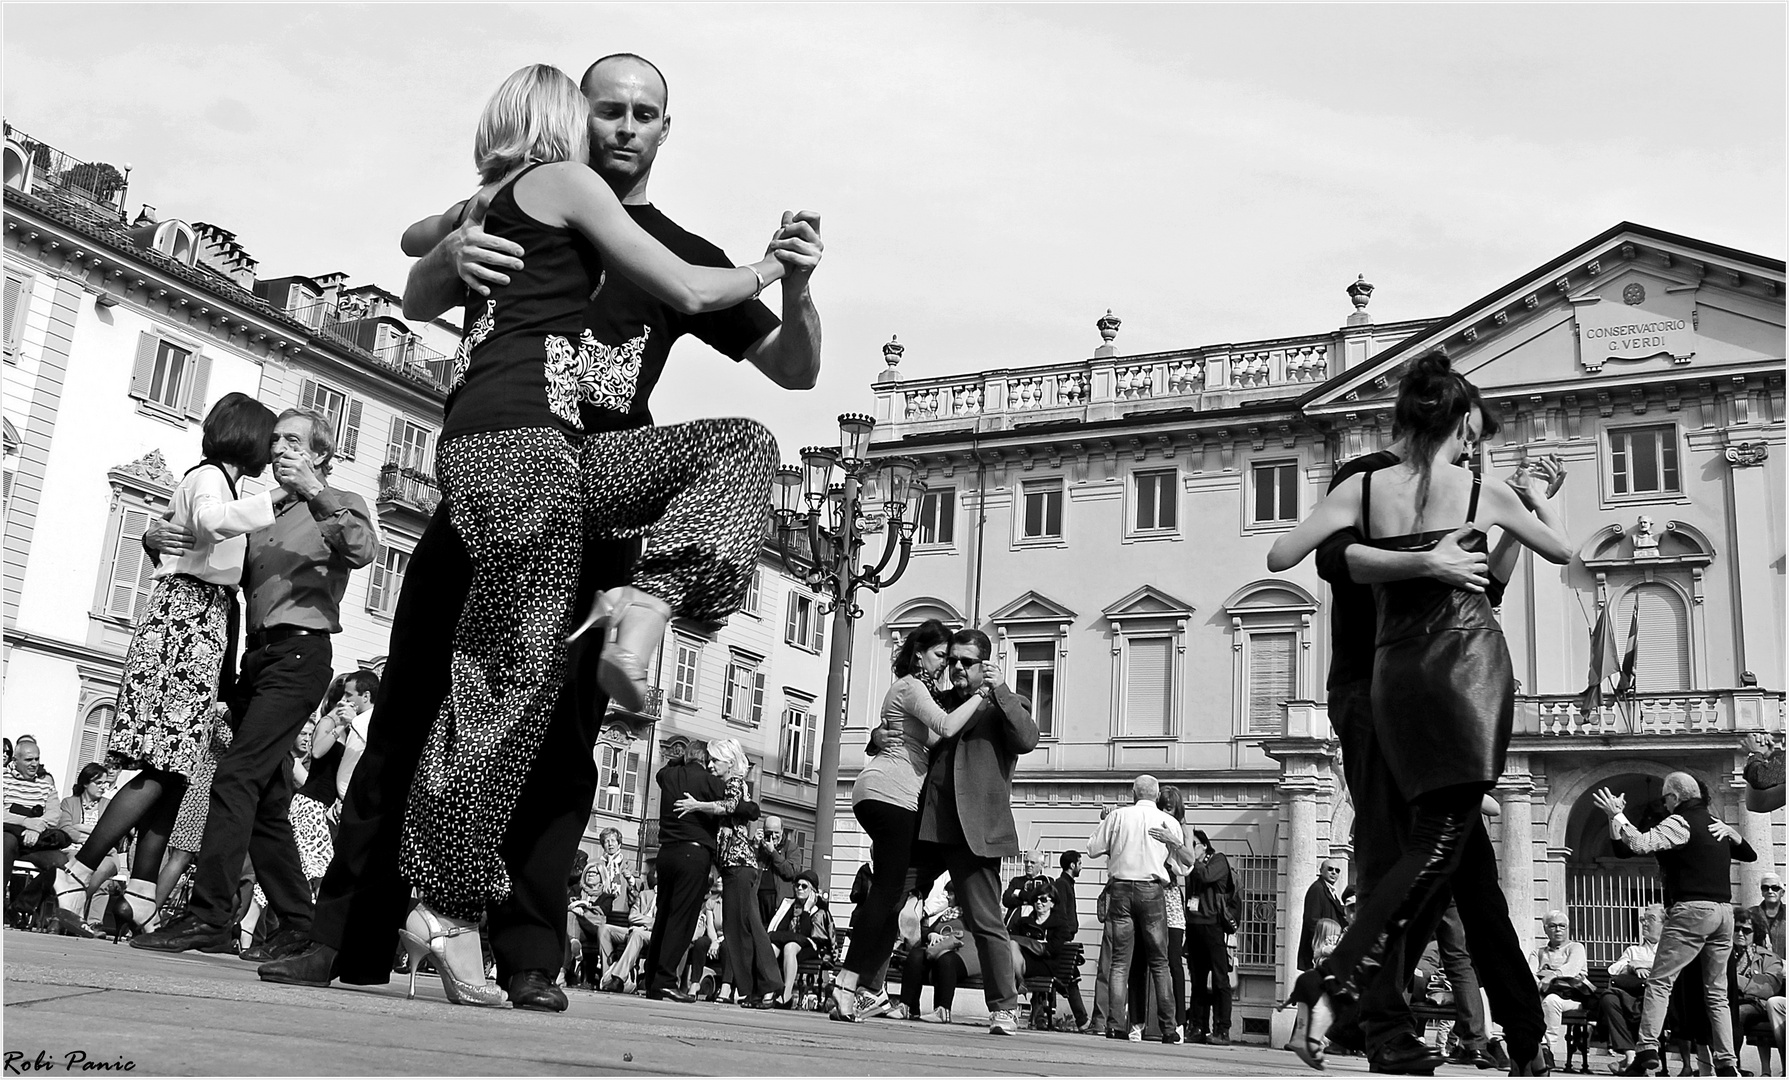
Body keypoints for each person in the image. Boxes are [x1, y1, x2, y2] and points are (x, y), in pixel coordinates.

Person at [257, 52, 824, 1011]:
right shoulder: (527, 200)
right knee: (409, 708)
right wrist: (447, 256)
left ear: (664, 130)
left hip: (600, 490)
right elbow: (418, 281)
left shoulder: (672, 244)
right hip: (500, 475)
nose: (626, 127)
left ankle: (525, 949)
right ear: (575, 119)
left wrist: (795, 284)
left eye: (645, 114)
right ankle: (347, 932)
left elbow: (793, 370)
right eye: (610, 110)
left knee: (560, 738)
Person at [1267, 351, 1573, 1074]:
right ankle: (1352, 1003)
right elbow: (1330, 561)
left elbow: (1486, 586)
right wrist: (1438, 555)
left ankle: (1519, 1037)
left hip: (1411, 676)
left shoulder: (1442, 488)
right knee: (1408, 859)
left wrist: (1500, 523)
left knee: (1464, 875)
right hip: (1390, 687)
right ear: (1455, 419)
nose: (1477, 448)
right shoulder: (1368, 477)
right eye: (1474, 432)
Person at [131, 408, 378, 964]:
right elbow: (210, 559)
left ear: (320, 453)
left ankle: (210, 916)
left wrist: (315, 489)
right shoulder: (260, 510)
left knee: (236, 776)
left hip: (301, 654)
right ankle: (297, 923)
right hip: (258, 659)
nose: (280, 449)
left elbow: (362, 551)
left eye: (294, 441)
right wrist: (156, 539)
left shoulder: (338, 502)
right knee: (266, 800)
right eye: (276, 441)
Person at [52, 394, 280, 937]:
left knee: (176, 769)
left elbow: (192, 539)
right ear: (246, 437)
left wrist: (159, 538)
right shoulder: (209, 479)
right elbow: (206, 525)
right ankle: (81, 870)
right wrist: (279, 495)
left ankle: (141, 891)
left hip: (199, 619)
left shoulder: (220, 484)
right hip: (187, 621)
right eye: (268, 439)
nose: (272, 452)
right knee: (163, 761)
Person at [830, 619, 985, 1022]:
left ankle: (866, 988)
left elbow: (933, 738)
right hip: (890, 795)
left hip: (886, 794)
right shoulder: (911, 686)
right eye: (939, 655)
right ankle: (848, 982)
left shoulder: (915, 692)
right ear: (919, 653)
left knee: (891, 893)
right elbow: (948, 725)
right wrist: (983, 693)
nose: (944, 664)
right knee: (884, 894)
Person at [911, 628, 1040, 1036]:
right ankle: (870, 990)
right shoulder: (939, 702)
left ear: (985, 664)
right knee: (891, 899)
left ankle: (1004, 1007)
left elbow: (1027, 738)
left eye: (967, 662)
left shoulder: (1004, 702)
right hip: (928, 823)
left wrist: (1000, 691)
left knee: (985, 921)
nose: (958, 669)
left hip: (973, 829)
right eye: (953, 661)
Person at [1592, 771, 1759, 1076]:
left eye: (1666, 798)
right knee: (1717, 992)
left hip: (1692, 911)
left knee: (1659, 982)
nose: (1665, 804)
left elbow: (1640, 844)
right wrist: (1736, 835)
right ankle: (1726, 1062)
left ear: (1675, 797)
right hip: (1724, 913)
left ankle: (1646, 1050)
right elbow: (1749, 854)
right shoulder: (1713, 823)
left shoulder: (1679, 823)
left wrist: (1617, 814)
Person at [1086, 774, 1183, 1045]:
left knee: (1119, 962)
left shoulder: (1118, 817)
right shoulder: (1169, 822)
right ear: (1157, 794)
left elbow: (1092, 849)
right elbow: (1183, 865)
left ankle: (1115, 1025)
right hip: (1152, 889)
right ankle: (1168, 1028)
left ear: (1133, 793)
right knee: (1160, 963)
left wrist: (1109, 829)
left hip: (1120, 888)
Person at [645, 742, 742, 1001]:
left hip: (666, 853)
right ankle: (665, 979)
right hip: (694, 852)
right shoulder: (710, 782)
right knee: (682, 918)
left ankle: (651, 978)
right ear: (706, 758)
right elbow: (732, 804)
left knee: (664, 915)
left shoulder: (668, 776)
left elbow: (662, 772)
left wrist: (679, 759)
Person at [709, 738, 781, 1007]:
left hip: (738, 864)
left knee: (740, 928)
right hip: (738, 865)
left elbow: (729, 807)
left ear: (729, 762)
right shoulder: (733, 784)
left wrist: (698, 806)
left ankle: (759, 987)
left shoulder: (734, 783)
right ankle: (761, 988)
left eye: (715, 760)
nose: (710, 765)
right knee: (747, 926)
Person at [896, 882, 977, 1024]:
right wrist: (932, 935)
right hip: (939, 950)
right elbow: (927, 931)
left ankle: (942, 1010)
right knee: (915, 956)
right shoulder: (947, 914)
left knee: (946, 960)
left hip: (965, 953)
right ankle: (908, 1007)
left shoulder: (973, 914)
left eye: (950, 893)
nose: (947, 897)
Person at [5, 737, 67, 921]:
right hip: (9, 837)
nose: (34, 764)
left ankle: (21, 906)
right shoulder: (3, 780)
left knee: (60, 863)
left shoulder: (46, 786)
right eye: (28, 759)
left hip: (36, 840)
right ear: (15, 761)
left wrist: (36, 827)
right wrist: (26, 821)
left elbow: (54, 814)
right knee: (5, 843)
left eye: (36, 759)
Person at [1182, 828, 1235, 1046]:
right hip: (1194, 926)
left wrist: (1191, 861)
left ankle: (1222, 1029)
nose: (1189, 849)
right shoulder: (1191, 867)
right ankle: (1198, 1026)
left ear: (1204, 846)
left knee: (1220, 980)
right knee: (1197, 980)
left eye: (1192, 844)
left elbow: (1206, 876)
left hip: (1213, 926)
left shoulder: (1218, 860)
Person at [50, 765, 120, 926]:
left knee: (101, 870)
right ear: (86, 783)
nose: (104, 787)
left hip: (106, 854)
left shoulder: (110, 805)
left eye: (106, 783)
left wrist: (80, 827)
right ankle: (93, 923)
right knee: (87, 874)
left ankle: (67, 912)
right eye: (99, 783)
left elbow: (111, 833)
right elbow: (66, 829)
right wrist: (95, 836)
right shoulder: (69, 803)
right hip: (74, 850)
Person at [1600, 905, 1666, 1074]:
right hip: (1633, 997)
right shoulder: (1633, 950)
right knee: (1609, 997)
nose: (1644, 923)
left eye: (1650, 919)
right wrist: (1631, 966)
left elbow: (1673, 968)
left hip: (1658, 1000)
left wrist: (1644, 965)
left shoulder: (1669, 950)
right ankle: (1630, 1055)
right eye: (1643, 919)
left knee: (1651, 1000)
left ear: (1664, 924)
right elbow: (1614, 970)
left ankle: (1635, 1058)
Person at [765, 870, 836, 1007]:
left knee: (790, 946)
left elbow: (807, 935)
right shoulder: (788, 905)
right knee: (773, 947)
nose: (799, 889)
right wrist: (794, 937)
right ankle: (767, 993)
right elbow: (776, 932)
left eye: (804, 886)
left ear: (813, 890)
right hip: (789, 945)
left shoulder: (820, 911)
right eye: (797, 885)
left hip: (813, 949)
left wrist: (806, 911)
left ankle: (786, 995)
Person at [1532, 910, 1593, 1064]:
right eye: (1553, 926)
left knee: (1551, 1001)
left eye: (1562, 926)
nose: (1558, 929)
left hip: (1573, 998)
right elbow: (1530, 974)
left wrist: (1550, 975)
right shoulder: (1538, 953)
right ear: (1545, 929)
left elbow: (1572, 968)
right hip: (1543, 996)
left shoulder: (1576, 948)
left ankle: (1548, 1050)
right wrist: (1542, 981)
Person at [1045, 850, 1091, 1033]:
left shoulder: (1065, 884)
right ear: (1072, 865)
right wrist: (1065, 932)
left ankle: (1080, 1020)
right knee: (1069, 978)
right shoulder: (1063, 885)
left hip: (1063, 937)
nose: (1081, 867)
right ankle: (1082, 1021)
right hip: (1062, 939)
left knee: (1068, 978)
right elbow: (1061, 913)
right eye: (1080, 863)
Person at [1299, 859, 1349, 972]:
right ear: (1321, 871)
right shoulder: (1317, 889)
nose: (1334, 873)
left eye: (1337, 870)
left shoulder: (1329, 890)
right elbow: (1311, 920)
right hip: (1319, 949)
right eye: (1330, 869)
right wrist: (1321, 943)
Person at [1748, 872, 1785, 959]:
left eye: (1775, 888)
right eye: (1765, 888)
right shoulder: (1750, 914)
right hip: (1759, 968)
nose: (1770, 891)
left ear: (1782, 893)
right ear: (1762, 892)